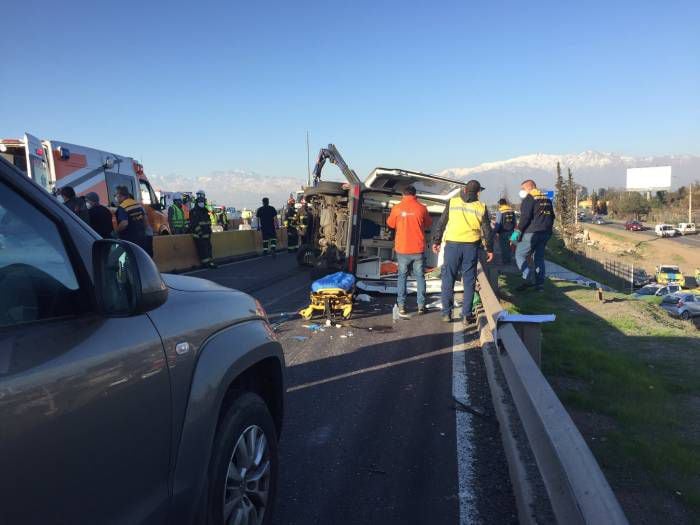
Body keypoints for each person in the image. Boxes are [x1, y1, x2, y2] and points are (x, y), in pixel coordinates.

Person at [432, 179, 494, 325]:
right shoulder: (481, 207)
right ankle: (466, 315)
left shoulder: (452, 203)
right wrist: (489, 249)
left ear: (464, 190)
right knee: (469, 281)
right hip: (470, 247)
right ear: (478, 193)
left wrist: (436, 241)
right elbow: (487, 230)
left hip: (452, 246)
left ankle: (446, 314)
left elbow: (441, 223)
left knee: (448, 279)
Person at [386, 186, 432, 315]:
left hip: (402, 249)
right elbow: (428, 223)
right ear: (415, 194)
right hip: (418, 249)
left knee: (402, 277)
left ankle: (401, 305)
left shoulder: (397, 208)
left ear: (403, 195)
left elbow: (390, 224)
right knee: (420, 277)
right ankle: (421, 306)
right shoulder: (422, 208)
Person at [511, 179, 555, 291]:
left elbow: (525, 218)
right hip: (546, 233)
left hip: (532, 233)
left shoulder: (529, 199)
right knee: (539, 258)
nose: (521, 191)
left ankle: (528, 276)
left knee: (519, 254)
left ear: (530, 187)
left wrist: (517, 232)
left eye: (523, 189)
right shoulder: (547, 199)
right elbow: (552, 216)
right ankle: (539, 285)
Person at [114, 185, 147, 251]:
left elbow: (124, 223)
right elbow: (145, 219)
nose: (115, 197)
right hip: (141, 236)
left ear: (120, 195)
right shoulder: (137, 204)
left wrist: (116, 231)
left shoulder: (123, 207)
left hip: (129, 238)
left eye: (116, 195)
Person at [190, 190, 217, 268]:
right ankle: (205, 263)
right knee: (203, 250)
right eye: (200, 200)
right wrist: (200, 233)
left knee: (208, 248)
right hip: (199, 235)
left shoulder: (205, 211)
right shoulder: (194, 211)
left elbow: (208, 222)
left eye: (202, 200)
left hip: (206, 234)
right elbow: (194, 224)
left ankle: (210, 263)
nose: (201, 202)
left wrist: (209, 230)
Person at [494, 198, 517, 264]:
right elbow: (515, 222)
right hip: (512, 231)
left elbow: (498, 223)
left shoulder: (500, 211)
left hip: (503, 232)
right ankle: (509, 260)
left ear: (500, 204)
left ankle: (505, 262)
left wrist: (494, 232)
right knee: (509, 246)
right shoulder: (511, 210)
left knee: (504, 247)